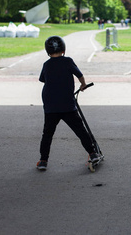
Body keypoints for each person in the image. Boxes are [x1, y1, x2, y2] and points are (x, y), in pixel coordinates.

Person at [36, 36, 100, 170]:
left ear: (47, 51)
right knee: (80, 130)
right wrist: (82, 85)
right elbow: (80, 75)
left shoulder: (46, 64)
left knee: (47, 133)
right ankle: (93, 153)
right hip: (67, 105)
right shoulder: (68, 61)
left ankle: (43, 161)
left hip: (51, 106)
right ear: (64, 49)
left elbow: (43, 80)